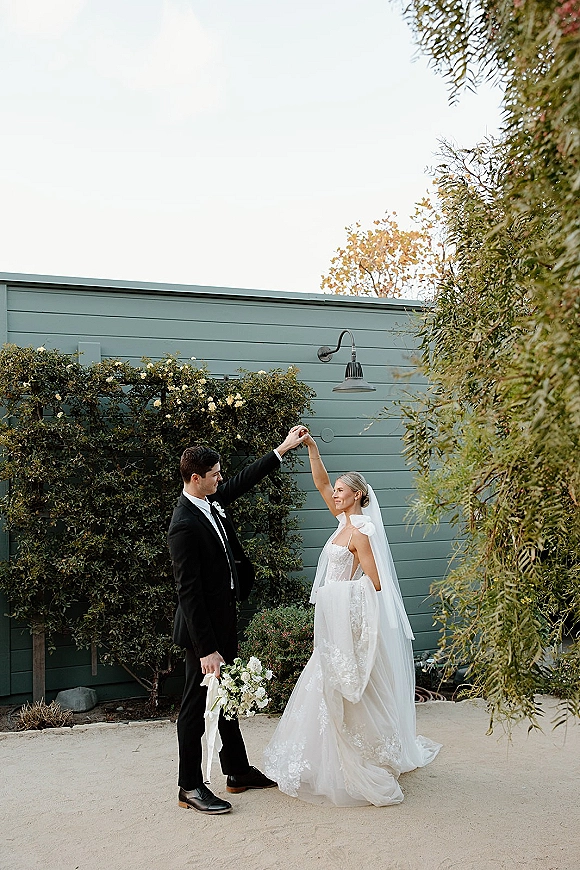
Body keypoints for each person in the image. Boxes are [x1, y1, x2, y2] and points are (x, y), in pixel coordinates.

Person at [263, 432, 441, 806]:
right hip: (330, 618)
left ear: (359, 495)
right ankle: (316, 760)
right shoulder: (341, 520)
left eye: (344, 491)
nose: (336, 494)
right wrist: (311, 448)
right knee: (319, 682)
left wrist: (336, 594)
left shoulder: (362, 532)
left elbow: (374, 583)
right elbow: (322, 482)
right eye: (338, 491)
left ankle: (359, 761)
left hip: (345, 616)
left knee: (343, 687)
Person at [168, 426, 307, 815]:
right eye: (214, 474)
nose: (220, 478)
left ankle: (237, 771)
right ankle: (189, 786)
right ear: (196, 478)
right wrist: (206, 649)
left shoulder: (212, 501)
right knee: (195, 709)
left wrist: (282, 449)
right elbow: (188, 593)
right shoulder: (183, 524)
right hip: (203, 634)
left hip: (225, 620)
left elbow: (246, 478)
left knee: (226, 699)